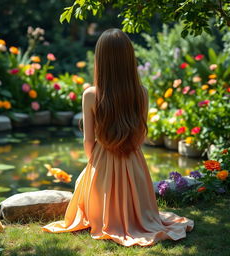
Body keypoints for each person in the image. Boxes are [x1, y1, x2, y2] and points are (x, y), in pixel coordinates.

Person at [41, 28, 194, 247]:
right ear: (129, 59)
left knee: (83, 182)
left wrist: (94, 165)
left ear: (100, 60)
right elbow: (140, 135)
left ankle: (105, 214)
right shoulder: (141, 92)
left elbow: (88, 141)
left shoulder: (91, 94)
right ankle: (135, 215)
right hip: (134, 162)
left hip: (101, 162)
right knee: (134, 203)